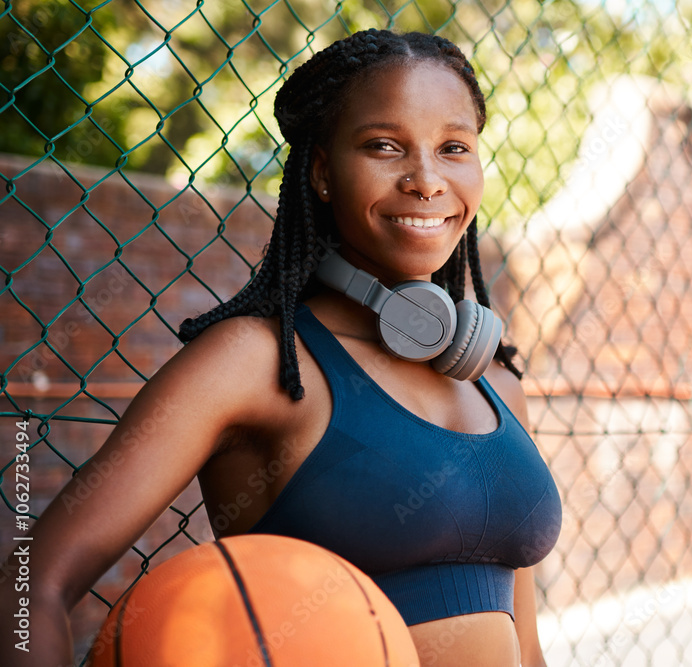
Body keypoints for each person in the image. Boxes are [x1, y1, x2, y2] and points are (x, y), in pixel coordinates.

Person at [0, 29, 561, 667]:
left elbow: (528, 646)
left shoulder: (495, 380)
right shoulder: (258, 362)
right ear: (322, 172)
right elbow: (31, 585)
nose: (427, 180)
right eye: (385, 146)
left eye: (453, 147)